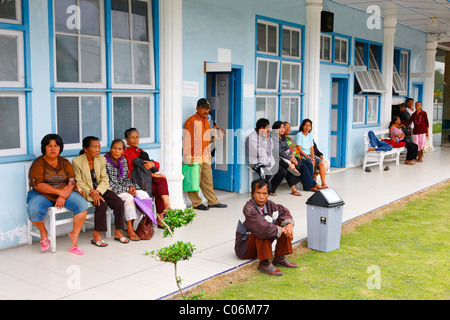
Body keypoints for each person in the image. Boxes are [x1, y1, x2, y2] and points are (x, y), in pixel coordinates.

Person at [27, 134, 88, 255]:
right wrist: (59, 192)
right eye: (49, 146)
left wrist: (62, 195)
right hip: (42, 194)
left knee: (82, 205)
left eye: (56, 146)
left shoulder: (64, 162)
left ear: (60, 148)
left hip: (64, 192)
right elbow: (38, 185)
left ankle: (74, 238)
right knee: (33, 209)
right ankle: (43, 232)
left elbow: (71, 180)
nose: (53, 148)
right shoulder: (38, 163)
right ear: (44, 148)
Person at [72, 136, 128, 247]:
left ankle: (118, 232)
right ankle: (96, 234)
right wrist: (92, 192)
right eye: (95, 147)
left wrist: (98, 191)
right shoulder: (77, 161)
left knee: (119, 202)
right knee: (100, 204)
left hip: (101, 189)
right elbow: (79, 181)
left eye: (99, 146)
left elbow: (104, 178)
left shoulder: (101, 160)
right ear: (85, 149)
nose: (98, 149)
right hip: (87, 191)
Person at [234, 178, 298, 276]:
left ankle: (279, 258)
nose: (261, 196)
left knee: (282, 222)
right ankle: (264, 263)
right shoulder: (248, 208)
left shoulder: (270, 204)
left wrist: (289, 225)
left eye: (264, 193)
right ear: (253, 194)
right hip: (245, 249)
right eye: (258, 193)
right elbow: (262, 228)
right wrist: (283, 230)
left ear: (268, 194)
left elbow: (284, 211)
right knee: (262, 229)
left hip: (259, 245)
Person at [183, 98, 227, 210]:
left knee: (208, 181)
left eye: (207, 109)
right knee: (194, 181)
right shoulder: (191, 121)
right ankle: (196, 203)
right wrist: (188, 156)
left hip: (206, 155)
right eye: (203, 108)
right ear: (197, 108)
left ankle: (212, 201)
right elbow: (187, 140)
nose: (206, 111)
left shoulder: (207, 120)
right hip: (194, 156)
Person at [105, 139, 151, 240]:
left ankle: (142, 225)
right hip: (113, 190)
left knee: (143, 195)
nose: (117, 151)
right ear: (110, 149)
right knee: (129, 198)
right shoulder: (105, 161)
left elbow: (126, 178)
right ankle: (130, 229)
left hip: (125, 187)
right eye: (114, 148)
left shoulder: (123, 160)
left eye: (119, 149)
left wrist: (132, 187)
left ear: (123, 151)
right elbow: (108, 183)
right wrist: (127, 190)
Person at [124, 128, 170, 227]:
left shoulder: (140, 151)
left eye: (137, 137)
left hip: (146, 180)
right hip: (137, 182)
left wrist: (152, 164)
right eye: (132, 138)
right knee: (159, 187)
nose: (135, 140)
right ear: (126, 140)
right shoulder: (126, 153)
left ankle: (166, 207)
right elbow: (132, 172)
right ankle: (161, 217)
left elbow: (155, 164)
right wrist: (152, 174)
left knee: (161, 180)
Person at [284, 121, 322, 192]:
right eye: (286, 127)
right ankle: (312, 185)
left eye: (289, 127)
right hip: (291, 159)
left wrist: (299, 156)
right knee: (304, 166)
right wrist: (294, 157)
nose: (288, 129)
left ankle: (309, 185)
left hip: (297, 157)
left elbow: (294, 150)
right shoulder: (283, 139)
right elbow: (286, 152)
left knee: (310, 164)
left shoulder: (289, 139)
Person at [270, 121, 302, 196]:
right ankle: (272, 188)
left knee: (295, 165)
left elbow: (287, 148)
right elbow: (279, 152)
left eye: (283, 127)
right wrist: (290, 159)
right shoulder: (274, 138)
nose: (282, 129)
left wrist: (292, 156)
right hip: (275, 159)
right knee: (285, 170)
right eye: (280, 128)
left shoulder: (283, 137)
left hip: (284, 158)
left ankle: (292, 167)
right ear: (275, 130)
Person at [295, 119, 329, 189]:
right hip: (302, 155)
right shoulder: (299, 135)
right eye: (305, 125)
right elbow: (299, 149)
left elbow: (312, 149)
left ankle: (324, 184)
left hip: (310, 155)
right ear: (302, 126)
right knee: (312, 163)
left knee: (321, 163)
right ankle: (312, 184)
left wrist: (313, 157)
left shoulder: (310, 136)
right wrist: (310, 158)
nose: (307, 127)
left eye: (309, 126)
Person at [247, 118, 276, 184]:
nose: (268, 129)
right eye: (267, 128)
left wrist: (267, 138)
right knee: (266, 174)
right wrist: (265, 139)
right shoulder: (252, 137)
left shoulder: (264, 135)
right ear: (262, 128)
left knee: (282, 171)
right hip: (255, 162)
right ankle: (260, 190)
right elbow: (260, 153)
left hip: (265, 160)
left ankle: (270, 189)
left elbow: (271, 147)